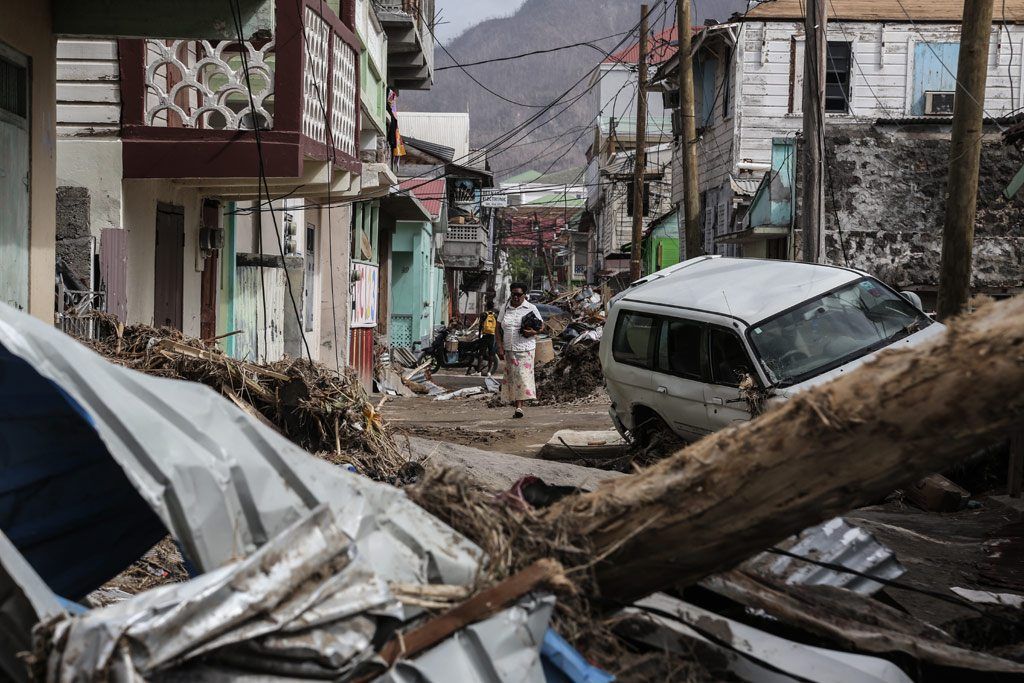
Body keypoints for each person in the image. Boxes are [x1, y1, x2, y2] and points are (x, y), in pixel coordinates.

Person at [496, 283, 544, 418]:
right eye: (514, 294)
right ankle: (516, 404)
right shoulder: (505, 308)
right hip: (509, 349)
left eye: (519, 294)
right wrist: (499, 346)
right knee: (512, 377)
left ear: (524, 295)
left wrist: (532, 332)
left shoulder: (531, 308)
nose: (516, 297)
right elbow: (498, 328)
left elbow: (541, 326)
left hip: (525, 349)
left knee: (522, 376)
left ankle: (519, 407)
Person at [469, 300, 499, 376]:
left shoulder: (483, 314)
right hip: (492, 336)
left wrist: (479, 335)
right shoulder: (495, 315)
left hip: (485, 335)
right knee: (491, 354)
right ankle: (489, 371)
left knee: (481, 353)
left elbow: (480, 326)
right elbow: (498, 326)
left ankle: (478, 371)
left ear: (486, 306)